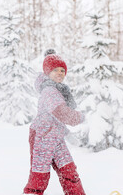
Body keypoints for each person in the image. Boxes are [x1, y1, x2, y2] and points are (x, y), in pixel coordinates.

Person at [23, 49, 86, 195]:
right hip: (42, 137)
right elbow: (61, 113)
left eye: (63, 70)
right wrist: (82, 117)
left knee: (69, 171)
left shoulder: (59, 89)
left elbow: (56, 119)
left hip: (55, 137)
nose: (60, 73)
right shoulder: (49, 90)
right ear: (47, 72)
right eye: (55, 70)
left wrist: (67, 133)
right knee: (39, 176)